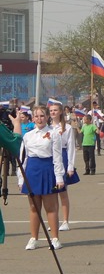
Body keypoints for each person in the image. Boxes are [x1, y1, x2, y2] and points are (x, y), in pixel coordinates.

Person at [18, 105, 65, 250]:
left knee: (50, 207)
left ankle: (55, 238)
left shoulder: (54, 134)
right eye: (37, 116)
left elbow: (57, 157)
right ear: (33, 118)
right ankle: (34, 238)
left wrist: (59, 177)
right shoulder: (28, 136)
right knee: (34, 207)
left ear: (47, 117)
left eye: (42, 115)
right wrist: (21, 178)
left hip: (47, 169)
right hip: (32, 170)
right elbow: (23, 159)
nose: (39, 119)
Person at [49, 101, 78, 232]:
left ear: (60, 111)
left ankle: (65, 220)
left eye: (55, 110)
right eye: (51, 110)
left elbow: (71, 147)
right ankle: (53, 219)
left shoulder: (66, 128)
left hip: (63, 156)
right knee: (52, 193)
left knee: (63, 192)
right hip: (51, 158)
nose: (53, 112)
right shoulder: (48, 128)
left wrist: (70, 166)